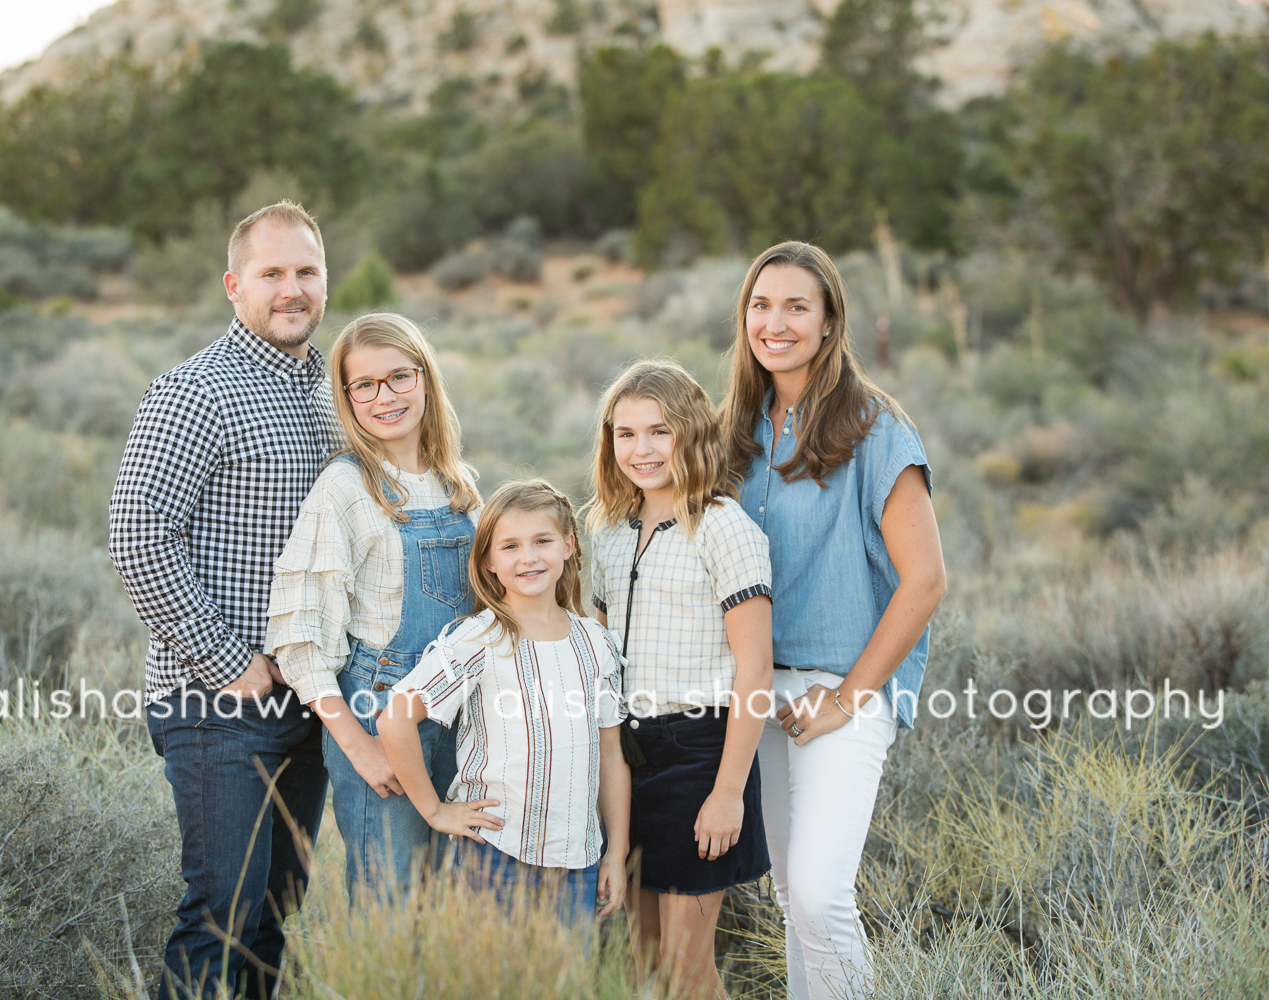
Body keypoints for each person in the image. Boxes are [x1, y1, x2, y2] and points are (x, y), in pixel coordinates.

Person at [108, 201, 337, 1000]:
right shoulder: (196, 391)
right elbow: (138, 534)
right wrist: (227, 660)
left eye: (306, 271)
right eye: (272, 273)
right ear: (235, 286)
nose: (292, 289)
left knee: (275, 914)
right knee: (223, 915)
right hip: (217, 704)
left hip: (307, 701)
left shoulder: (331, 393)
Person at [721, 241, 947, 1000]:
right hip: (757, 692)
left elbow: (925, 581)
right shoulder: (735, 429)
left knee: (821, 896)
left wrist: (847, 697)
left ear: (828, 324)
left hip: (844, 691)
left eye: (796, 307)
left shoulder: (874, 427)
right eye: (761, 304)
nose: (774, 322)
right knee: (793, 901)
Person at [266, 313, 481, 898]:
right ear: (347, 397)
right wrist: (358, 748)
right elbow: (299, 636)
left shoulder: (457, 483)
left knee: (450, 903)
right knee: (390, 903)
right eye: (365, 386)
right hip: (376, 712)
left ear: (426, 380)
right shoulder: (345, 486)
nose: (385, 397)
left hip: (462, 715)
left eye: (399, 377)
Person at [587, 359, 774, 1000]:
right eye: (625, 433)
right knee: (644, 969)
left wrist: (729, 793)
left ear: (690, 432)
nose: (641, 450)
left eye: (658, 432)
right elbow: (603, 648)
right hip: (626, 760)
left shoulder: (724, 528)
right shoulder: (608, 532)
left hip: (701, 757)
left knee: (687, 973)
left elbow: (755, 668)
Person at [378, 479, 631, 928]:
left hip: (578, 861)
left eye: (542, 541)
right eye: (510, 546)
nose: (529, 557)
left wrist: (617, 852)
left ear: (569, 545)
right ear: (489, 562)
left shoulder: (596, 643)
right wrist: (435, 811)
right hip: (494, 856)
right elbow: (395, 718)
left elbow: (611, 755)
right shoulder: (478, 638)